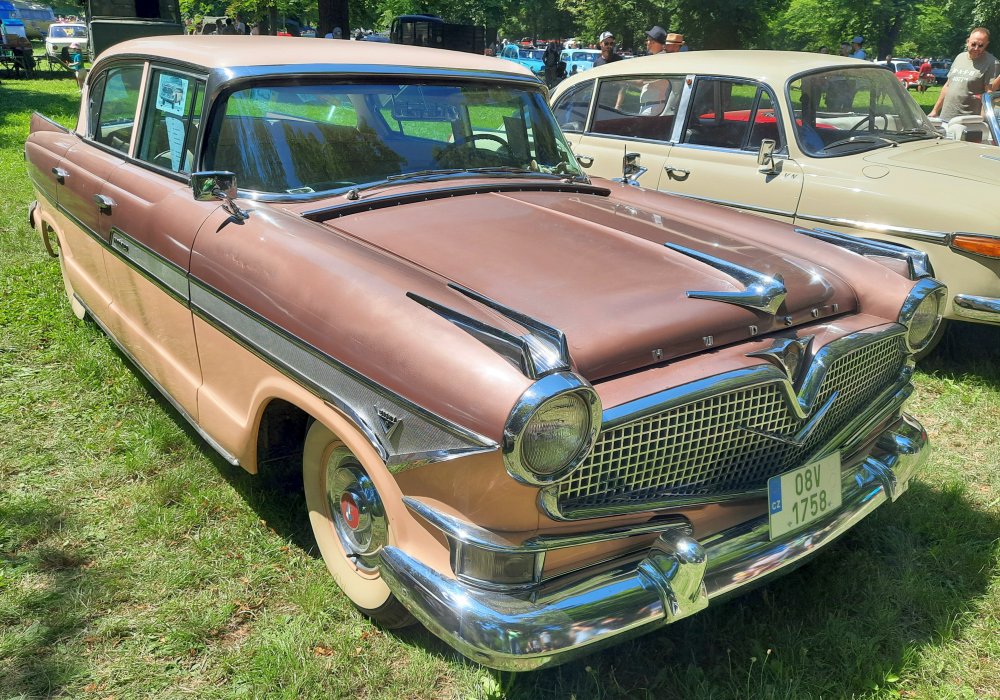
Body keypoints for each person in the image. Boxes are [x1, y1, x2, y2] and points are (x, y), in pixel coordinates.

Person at [930, 27, 1000, 121]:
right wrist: (935, 110)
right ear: (967, 41)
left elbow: (988, 93)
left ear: (986, 44)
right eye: (973, 44)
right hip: (945, 117)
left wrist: (981, 120)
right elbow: (947, 85)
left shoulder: (991, 62)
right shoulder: (960, 57)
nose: (976, 48)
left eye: (981, 45)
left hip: (968, 120)